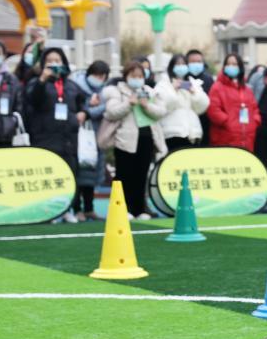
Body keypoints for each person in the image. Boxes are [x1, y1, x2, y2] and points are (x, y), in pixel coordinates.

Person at [23, 47, 88, 223]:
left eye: (57, 60)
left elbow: (84, 103)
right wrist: (42, 80)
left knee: (69, 173)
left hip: (68, 138)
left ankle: (67, 209)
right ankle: (47, 212)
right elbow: (31, 100)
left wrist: (84, 113)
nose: (54, 64)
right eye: (50, 61)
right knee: (49, 174)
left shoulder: (71, 85)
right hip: (45, 137)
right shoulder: (36, 83)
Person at [102, 61, 167, 219]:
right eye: (133, 76)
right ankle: (123, 209)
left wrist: (146, 106)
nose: (137, 79)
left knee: (141, 175)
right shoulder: (117, 91)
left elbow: (161, 111)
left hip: (146, 139)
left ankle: (140, 209)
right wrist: (128, 103)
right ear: (126, 76)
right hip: (125, 141)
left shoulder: (149, 91)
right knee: (124, 176)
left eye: (140, 76)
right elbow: (111, 112)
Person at [70, 60, 111, 221]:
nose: (98, 78)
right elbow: (77, 111)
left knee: (91, 176)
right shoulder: (76, 87)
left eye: (102, 76)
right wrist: (89, 107)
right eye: (96, 75)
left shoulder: (105, 92)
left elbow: (108, 108)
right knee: (79, 174)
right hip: (79, 137)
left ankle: (89, 208)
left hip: (96, 137)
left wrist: (90, 110)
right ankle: (76, 209)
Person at [155, 54, 210, 151]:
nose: (181, 66)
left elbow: (203, 106)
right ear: (172, 67)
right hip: (172, 132)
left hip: (193, 132)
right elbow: (161, 105)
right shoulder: (164, 83)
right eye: (178, 64)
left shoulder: (192, 83)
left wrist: (193, 92)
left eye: (183, 64)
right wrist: (173, 90)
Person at [207, 53, 261, 151]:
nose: (231, 66)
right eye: (228, 64)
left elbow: (254, 108)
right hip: (225, 137)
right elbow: (213, 109)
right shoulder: (217, 87)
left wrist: (255, 121)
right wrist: (228, 122)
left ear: (240, 67)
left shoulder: (246, 89)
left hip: (247, 138)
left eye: (234, 64)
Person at [185, 49, 215, 146]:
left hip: (205, 122)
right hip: (187, 123)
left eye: (199, 62)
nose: (196, 64)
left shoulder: (208, 79)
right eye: (193, 62)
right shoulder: (183, 79)